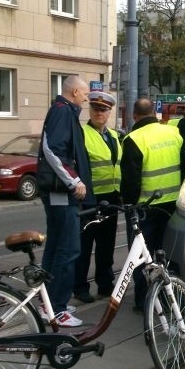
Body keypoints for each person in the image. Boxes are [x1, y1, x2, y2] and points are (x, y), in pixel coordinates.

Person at [36, 75, 94, 327]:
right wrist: (75, 181)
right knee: (68, 249)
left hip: (59, 192)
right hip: (61, 192)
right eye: (84, 93)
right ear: (72, 93)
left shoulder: (65, 111)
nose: (86, 97)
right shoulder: (62, 111)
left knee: (56, 247)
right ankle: (57, 309)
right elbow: (53, 150)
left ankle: (47, 303)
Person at [120, 98, 183, 312]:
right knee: (165, 253)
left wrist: (128, 205)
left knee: (140, 256)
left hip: (144, 208)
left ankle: (144, 300)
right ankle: (168, 296)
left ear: (134, 116)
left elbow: (130, 181)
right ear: (154, 114)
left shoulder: (133, 139)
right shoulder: (173, 133)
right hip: (172, 206)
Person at [74, 91, 123, 303]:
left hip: (111, 199)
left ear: (109, 112)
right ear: (90, 110)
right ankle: (80, 287)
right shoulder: (82, 133)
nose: (99, 113)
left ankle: (105, 284)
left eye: (103, 110)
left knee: (106, 246)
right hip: (90, 200)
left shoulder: (113, 135)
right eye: (95, 109)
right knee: (84, 247)